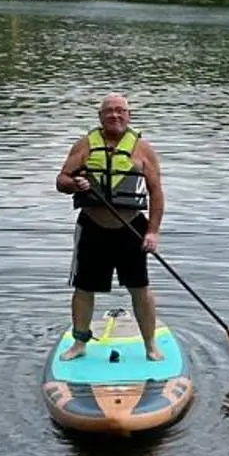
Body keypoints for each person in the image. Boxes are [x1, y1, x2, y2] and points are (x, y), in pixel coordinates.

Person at [55, 94, 166, 361]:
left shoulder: (143, 149)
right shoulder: (83, 146)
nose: (115, 116)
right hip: (92, 227)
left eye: (120, 111)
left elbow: (156, 192)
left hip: (131, 229)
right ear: (100, 117)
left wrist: (152, 231)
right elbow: (61, 180)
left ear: (129, 116)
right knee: (83, 288)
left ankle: (150, 345)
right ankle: (80, 343)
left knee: (140, 288)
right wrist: (74, 184)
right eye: (109, 112)